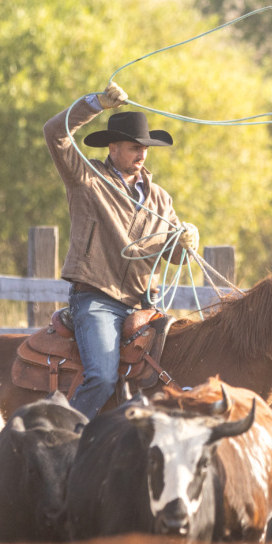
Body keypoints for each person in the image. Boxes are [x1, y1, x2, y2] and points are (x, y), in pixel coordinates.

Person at [43, 83, 197, 417]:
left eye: (145, 148)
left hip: (143, 305)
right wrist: (94, 104)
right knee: (101, 377)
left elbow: (175, 256)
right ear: (112, 148)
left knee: (175, 373)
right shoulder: (87, 179)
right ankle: (68, 434)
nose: (142, 155)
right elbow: (55, 133)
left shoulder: (161, 199)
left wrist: (186, 242)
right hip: (96, 299)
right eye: (134, 148)